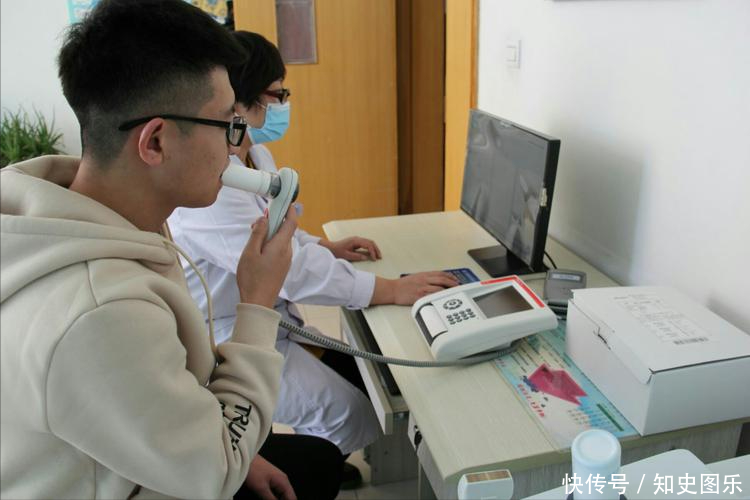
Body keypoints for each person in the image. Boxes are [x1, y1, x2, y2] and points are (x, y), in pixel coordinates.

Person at [0, 2, 341, 499]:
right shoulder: (99, 313)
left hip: (149, 450)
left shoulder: (101, 213)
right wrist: (257, 302)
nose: (234, 147)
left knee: (316, 461)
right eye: (226, 125)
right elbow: (213, 474)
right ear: (155, 142)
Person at [168, 31, 459, 485]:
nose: (283, 105)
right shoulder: (213, 188)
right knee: (350, 414)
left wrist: (324, 246)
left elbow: (277, 227)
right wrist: (389, 289)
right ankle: (312, 463)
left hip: (270, 320)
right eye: (277, 95)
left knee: (358, 376)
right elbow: (285, 270)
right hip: (227, 337)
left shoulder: (254, 154)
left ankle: (317, 453)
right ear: (237, 101)